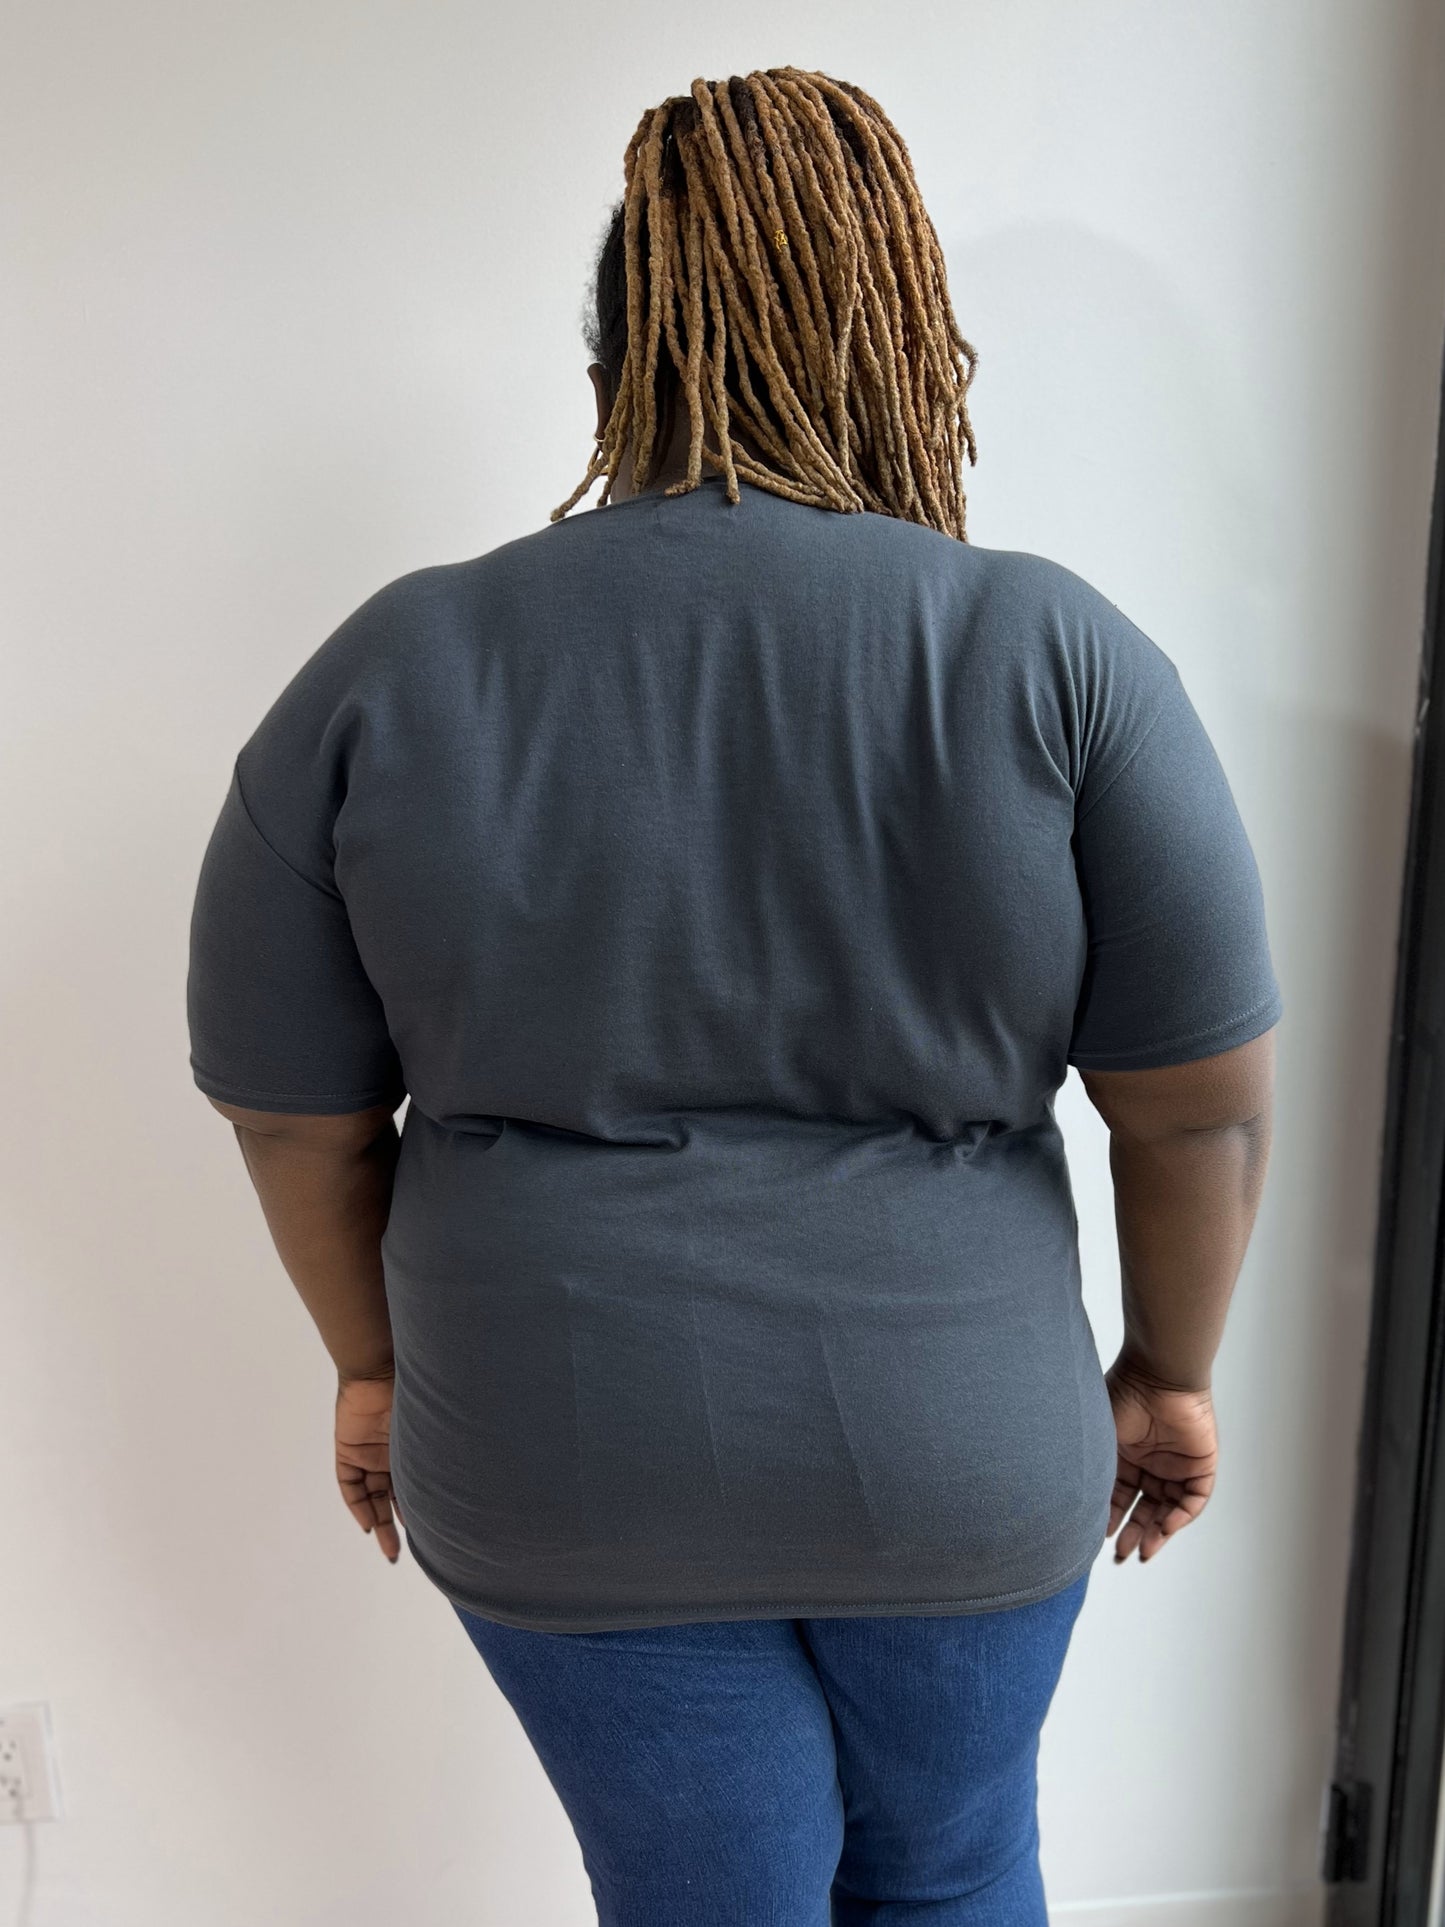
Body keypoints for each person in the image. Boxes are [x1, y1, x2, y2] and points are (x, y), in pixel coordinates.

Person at [185, 65, 1282, 1927]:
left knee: (701, 1899)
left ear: (617, 351)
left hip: (554, 1438)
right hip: (961, 1445)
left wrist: (371, 1369)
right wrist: (1167, 1374)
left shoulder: (392, 664)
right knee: (949, 1878)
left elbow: (297, 1114)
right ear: (911, 337)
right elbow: (1197, 1102)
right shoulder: (1046, 650)